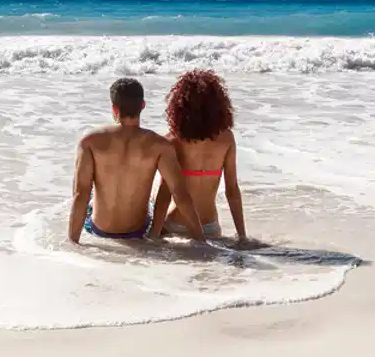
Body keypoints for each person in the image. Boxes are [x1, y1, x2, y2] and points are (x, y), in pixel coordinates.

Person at [68, 77, 205, 244]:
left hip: (99, 229)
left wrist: (72, 242)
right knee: (155, 197)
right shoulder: (161, 145)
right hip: (138, 231)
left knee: (86, 194)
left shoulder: (89, 141)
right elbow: (180, 194)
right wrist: (201, 241)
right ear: (143, 106)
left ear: (114, 108)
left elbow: (80, 194)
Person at [153, 69, 248, 244]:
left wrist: (154, 235)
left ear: (180, 107)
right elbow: (232, 190)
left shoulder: (173, 140)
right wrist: (242, 236)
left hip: (176, 225)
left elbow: (165, 193)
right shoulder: (227, 139)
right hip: (210, 227)